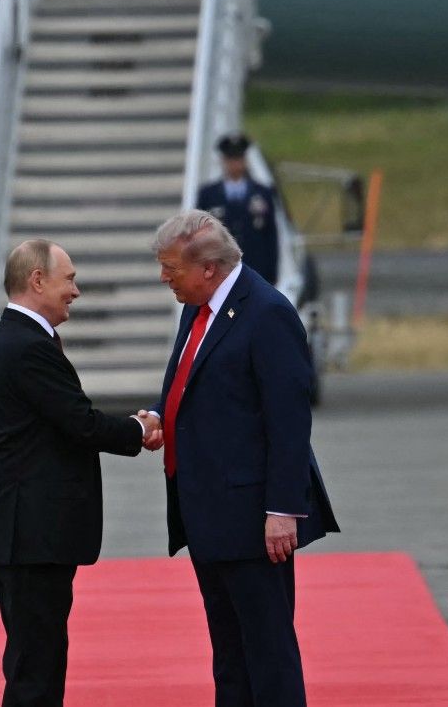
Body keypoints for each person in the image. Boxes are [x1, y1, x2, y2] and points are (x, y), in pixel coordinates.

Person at [142, 210, 338, 707]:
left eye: (171, 269)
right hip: (208, 515)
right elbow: (206, 392)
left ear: (208, 267)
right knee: (229, 656)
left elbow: (289, 421)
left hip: (254, 521)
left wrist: (282, 511)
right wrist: (165, 419)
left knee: (267, 653)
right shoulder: (198, 305)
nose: (164, 278)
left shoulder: (267, 312)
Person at [0, 239, 160, 707]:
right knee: (35, 670)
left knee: (36, 661)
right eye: (70, 279)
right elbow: (79, 421)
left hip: (30, 534)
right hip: (31, 535)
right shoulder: (26, 347)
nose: (76, 291)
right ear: (38, 280)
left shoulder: (22, 340)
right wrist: (139, 429)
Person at [195, 133, 280, 285]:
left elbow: (270, 236)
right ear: (223, 161)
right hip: (220, 273)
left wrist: (271, 275)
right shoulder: (208, 195)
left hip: (255, 271)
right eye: (230, 159)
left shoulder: (262, 193)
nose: (235, 163)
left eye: (238, 158)